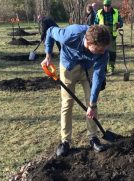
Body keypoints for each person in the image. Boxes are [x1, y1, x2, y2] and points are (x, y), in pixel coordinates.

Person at [41, 25, 111, 157]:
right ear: (89, 43)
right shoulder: (70, 35)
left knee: (92, 103)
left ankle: (93, 137)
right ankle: (65, 141)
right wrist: (48, 54)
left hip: (88, 69)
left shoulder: (103, 52)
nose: (103, 52)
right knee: (67, 103)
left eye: (104, 49)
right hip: (68, 67)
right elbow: (50, 31)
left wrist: (92, 103)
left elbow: (98, 76)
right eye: (99, 49)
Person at [94, 0, 123, 75]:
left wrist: (119, 25)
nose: (106, 7)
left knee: (112, 53)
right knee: (102, 52)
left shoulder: (116, 12)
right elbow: (95, 24)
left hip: (112, 36)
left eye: (108, 6)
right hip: (102, 35)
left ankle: (111, 68)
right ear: (103, 5)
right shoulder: (99, 12)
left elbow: (121, 22)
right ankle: (103, 68)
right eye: (105, 5)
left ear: (110, 6)